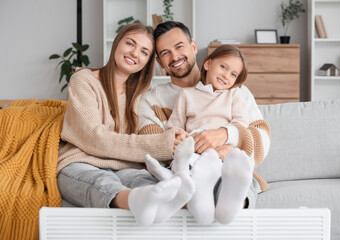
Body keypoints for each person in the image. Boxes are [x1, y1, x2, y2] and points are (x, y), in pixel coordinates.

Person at [56, 23, 195, 226]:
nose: (134, 53)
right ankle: (136, 203)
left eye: (144, 51)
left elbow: (149, 133)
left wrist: (177, 137)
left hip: (127, 167)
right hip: (81, 162)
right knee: (103, 184)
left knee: (150, 183)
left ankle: (191, 205)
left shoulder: (141, 95)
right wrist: (163, 144)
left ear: (148, 61)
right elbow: (95, 139)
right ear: (117, 43)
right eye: (130, 43)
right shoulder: (83, 80)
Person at [138, 21, 271, 223]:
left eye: (179, 46)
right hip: (190, 163)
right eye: (165, 53)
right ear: (159, 62)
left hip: (227, 162)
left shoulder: (236, 91)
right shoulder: (151, 100)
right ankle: (203, 200)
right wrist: (181, 141)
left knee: (238, 175)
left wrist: (226, 136)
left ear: (193, 47)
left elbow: (262, 141)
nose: (174, 57)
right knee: (180, 176)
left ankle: (227, 205)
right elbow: (155, 146)